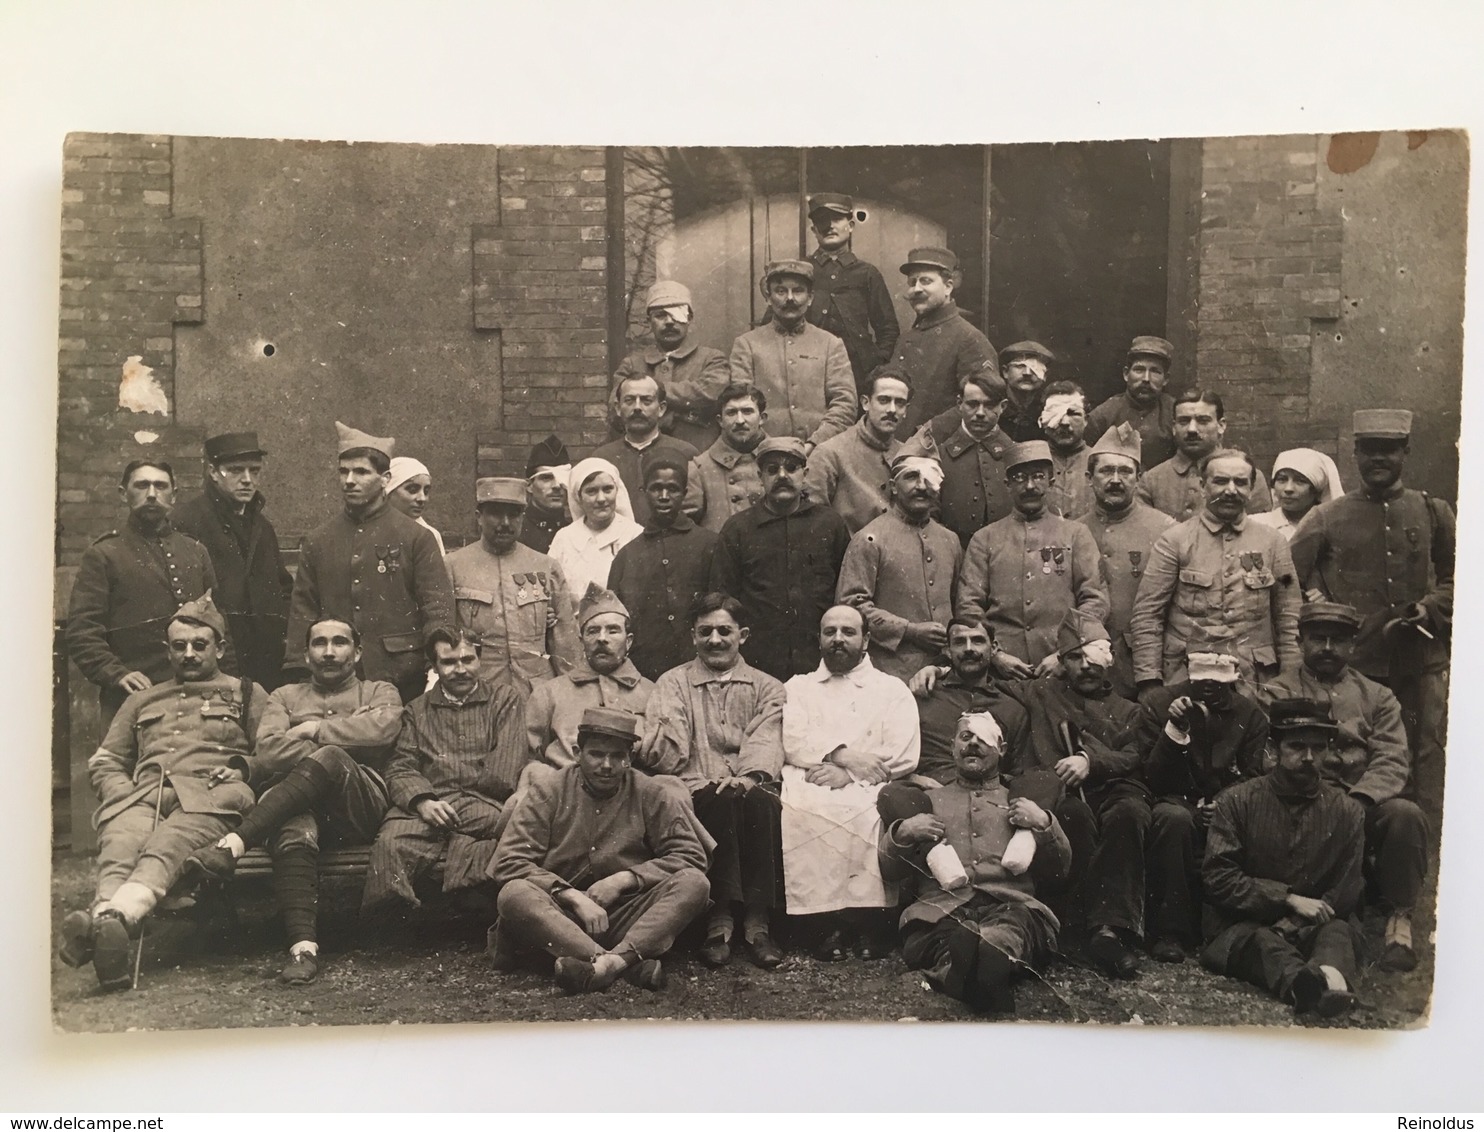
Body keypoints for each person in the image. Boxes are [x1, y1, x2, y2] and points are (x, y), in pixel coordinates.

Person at [58, 595, 266, 991]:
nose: (188, 654)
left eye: (199, 645)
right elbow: (105, 760)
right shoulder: (142, 699)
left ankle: (106, 922)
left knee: (167, 844)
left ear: (219, 648)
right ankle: (111, 927)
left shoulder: (247, 693)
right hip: (144, 795)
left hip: (211, 797)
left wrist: (244, 770)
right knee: (120, 840)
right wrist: (123, 794)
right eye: (178, 646)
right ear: (167, 649)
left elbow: (272, 750)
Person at [182, 617, 401, 985]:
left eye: (339, 642)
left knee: (330, 757)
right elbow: (267, 752)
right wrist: (352, 729)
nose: (329, 652)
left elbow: (384, 730)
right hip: (295, 803)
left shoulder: (379, 691)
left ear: (358, 651)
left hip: (359, 805)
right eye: (319, 643)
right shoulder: (284, 696)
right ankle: (303, 950)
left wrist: (313, 729)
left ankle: (233, 845)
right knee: (292, 827)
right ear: (306, 653)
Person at [1288, 408, 1454, 818]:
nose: (1379, 459)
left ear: (1405, 452)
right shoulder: (1327, 516)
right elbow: (1287, 578)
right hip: (1357, 667)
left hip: (1420, 663)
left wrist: (1429, 607)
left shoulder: (1432, 510)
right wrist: (1320, 609)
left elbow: (1464, 579)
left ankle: (1422, 861)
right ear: (1356, 454)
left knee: (1424, 756)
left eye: (1390, 450)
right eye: (1369, 451)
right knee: (1353, 759)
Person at [489, 707, 711, 995]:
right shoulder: (548, 791)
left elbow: (690, 855)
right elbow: (508, 861)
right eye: (596, 754)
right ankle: (623, 963)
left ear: (630, 758)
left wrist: (624, 880)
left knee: (695, 883)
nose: (607, 765)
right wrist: (568, 895)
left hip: (627, 915)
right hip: (561, 918)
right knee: (513, 893)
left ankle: (601, 966)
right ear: (577, 753)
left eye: (617, 756)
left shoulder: (650, 792)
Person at [1261, 602, 1428, 972]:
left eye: (1338, 640)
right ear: (1300, 641)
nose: (1326, 648)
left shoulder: (1378, 696)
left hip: (1361, 799)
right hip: (1301, 800)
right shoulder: (1277, 692)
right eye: (1317, 638)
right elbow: (1269, 755)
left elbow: (1392, 758)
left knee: (1405, 815)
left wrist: (1361, 798)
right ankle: (1309, 918)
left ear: (1352, 646)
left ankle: (1398, 921)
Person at [878, 709, 1071, 1015]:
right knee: (941, 935)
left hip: (1009, 902)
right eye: (965, 737)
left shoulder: (1022, 802)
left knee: (1012, 927)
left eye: (984, 739)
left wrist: (1044, 823)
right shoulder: (928, 801)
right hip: (942, 908)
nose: (972, 744)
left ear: (1002, 750)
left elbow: (1061, 870)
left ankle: (981, 961)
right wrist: (903, 832)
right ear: (952, 747)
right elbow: (889, 871)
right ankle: (974, 967)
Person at [642, 592, 787, 969]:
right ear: (693, 636)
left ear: (744, 635)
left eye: (725, 631)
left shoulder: (767, 687)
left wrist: (749, 776)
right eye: (705, 632)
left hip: (751, 783)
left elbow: (767, 735)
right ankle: (719, 920)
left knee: (758, 801)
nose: (715, 640)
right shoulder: (672, 683)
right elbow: (670, 751)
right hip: (695, 782)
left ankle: (758, 921)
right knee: (717, 798)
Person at [1200, 699, 1366, 1020]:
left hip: (1314, 926)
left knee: (1337, 933)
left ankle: (1325, 980)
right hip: (1244, 927)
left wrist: (1295, 923)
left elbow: (1344, 890)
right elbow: (1218, 878)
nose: (1307, 757)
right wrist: (1287, 899)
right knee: (1263, 942)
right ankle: (1308, 987)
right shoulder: (1237, 802)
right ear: (1274, 748)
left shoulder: (1347, 811)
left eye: (1318, 748)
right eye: (1296, 746)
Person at [780, 605, 921, 960]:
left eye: (848, 632)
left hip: (870, 783)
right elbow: (793, 741)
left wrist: (852, 773)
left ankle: (869, 922)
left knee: (865, 811)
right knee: (805, 810)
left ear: (866, 640)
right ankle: (823, 925)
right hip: (813, 776)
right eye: (830, 632)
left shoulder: (892, 689)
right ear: (820, 639)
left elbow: (904, 753)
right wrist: (842, 755)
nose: (838, 639)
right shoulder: (798, 687)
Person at [360, 627, 528, 920]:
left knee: (506, 832)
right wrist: (423, 802)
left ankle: (474, 902)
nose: (460, 669)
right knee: (391, 841)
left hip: (485, 804)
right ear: (434, 667)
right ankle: (395, 920)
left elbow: (504, 769)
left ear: (480, 659)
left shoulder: (505, 700)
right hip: (429, 806)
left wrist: (456, 803)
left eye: (468, 659)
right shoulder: (417, 710)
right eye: (449, 662)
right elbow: (400, 765)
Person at [284, 422, 454, 703]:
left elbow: (437, 605)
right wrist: (298, 669)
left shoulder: (416, 537)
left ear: (385, 478)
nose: (349, 480)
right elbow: (303, 608)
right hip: (334, 678)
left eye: (361, 472)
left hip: (402, 676)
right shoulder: (318, 540)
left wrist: (440, 659)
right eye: (343, 471)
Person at [1002, 611, 1142, 952]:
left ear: (1108, 659)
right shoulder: (1042, 692)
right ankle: (1075, 925)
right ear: (1062, 662)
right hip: (1065, 794)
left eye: (1092, 656)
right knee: (1072, 816)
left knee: (1128, 814)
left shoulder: (1127, 709)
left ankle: (1111, 929)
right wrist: (940, 669)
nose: (1085, 666)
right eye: (1074, 658)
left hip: (1112, 791)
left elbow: (1134, 755)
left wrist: (1090, 761)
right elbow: (989, 684)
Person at [66, 459, 226, 729]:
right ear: (123, 493)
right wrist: (117, 674)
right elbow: (83, 632)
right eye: (142, 485)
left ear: (173, 495)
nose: (152, 494)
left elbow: (220, 626)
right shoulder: (104, 555)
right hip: (131, 697)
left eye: (161, 486)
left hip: (196, 696)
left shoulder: (196, 552)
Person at [1128, 447, 1300, 693]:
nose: (1231, 490)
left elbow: (1289, 618)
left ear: (1251, 488)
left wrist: (1290, 679)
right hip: (1186, 677)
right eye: (1220, 481)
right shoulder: (1174, 540)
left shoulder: (1273, 542)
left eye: (1241, 482)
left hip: (1255, 682)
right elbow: (1148, 615)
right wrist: (1150, 682)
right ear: (1202, 485)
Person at [1136, 650, 1269, 960]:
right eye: (1202, 677)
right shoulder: (1158, 703)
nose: (1210, 686)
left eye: (1219, 679)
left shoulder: (1250, 715)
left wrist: (1225, 803)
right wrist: (1175, 729)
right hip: (1171, 798)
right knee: (1174, 819)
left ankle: (1233, 925)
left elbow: (1252, 776)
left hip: (1228, 803)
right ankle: (1171, 931)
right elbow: (1151, 774)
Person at [955, 440, 1109, 674]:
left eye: (1037, 476)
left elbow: (1095, 599)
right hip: (1001, 670)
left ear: (1051, 481)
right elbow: (969, 606)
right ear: (1007, 484)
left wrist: (1065, 653)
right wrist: (996, 656)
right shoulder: (984, 539)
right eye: (1019, 478)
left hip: (1062, 667)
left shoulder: (1076, 534)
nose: (1029, 486)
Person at [709, 436, 852, 681]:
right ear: (760, 477)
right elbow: (722, 596)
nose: (782, 476)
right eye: (773, 470)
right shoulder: (738, 529)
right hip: (759, 663)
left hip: (819, 662)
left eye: (792, 468)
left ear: (805, 474)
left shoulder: (830, 524)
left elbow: (846, 592)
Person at [171, 431, 292, 691]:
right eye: (236, 470)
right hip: (216, 659)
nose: (247, 480)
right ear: (213, 472)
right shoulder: (187, 521)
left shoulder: (262, 526)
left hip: (266, 661)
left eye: (254, 471)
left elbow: (283, 588)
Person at [444, 477, 579, 697]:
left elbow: (565, 641)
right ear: (479, 517)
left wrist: (573, 694)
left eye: (514, 514)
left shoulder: (546, 566)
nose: (505, 523)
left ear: (523, 517)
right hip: (479, 690)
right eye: (496, 513)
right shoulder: (453, 566)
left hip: (536, 693)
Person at [836, 453, 962, 680]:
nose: (922, 486)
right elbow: (851, 606)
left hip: (946, 671)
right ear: (894, 487)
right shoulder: (870, 538)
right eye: (912, 477)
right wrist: (909, 630)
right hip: (890, 671)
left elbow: (959, 603)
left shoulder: (950, 540)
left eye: (930, 478)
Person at [1078, 424, 1175, 697]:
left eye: (1125, 471)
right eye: (1106, 471)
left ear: (1139, 478)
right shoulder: (1073, 530)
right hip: (1085, 663)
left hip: (1143, 664)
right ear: (1090, 477)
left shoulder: (1166, 530)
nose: (1116, 480)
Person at [608, 452, 719, 680]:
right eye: (656, 488)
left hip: (701, 669)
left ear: (685, 493)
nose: (664, 496)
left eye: (673, 489)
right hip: (646, 672)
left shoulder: (710, 544)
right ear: (645, 491)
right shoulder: (627, 555)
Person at [728, 259, 856, 452]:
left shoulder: (831, 344)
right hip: (762, 454)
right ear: (769, 298)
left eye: (798, 291)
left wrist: (814, 444)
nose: (790, 298)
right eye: (780, 291)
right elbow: (741, 405)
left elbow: (845, 404)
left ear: (810, 298)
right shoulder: (746, 345)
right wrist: (771, 447)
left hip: (820, 454)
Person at [525, 586, 655, 770]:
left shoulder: (652, 693)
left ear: (629, 641)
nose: (602, 638)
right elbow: (529, 757)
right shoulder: (549, 693)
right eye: (593, 631)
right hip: (565, 790)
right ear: (582, 640)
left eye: (613, 630)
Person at [900, 617, 1031, 785]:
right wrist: (913, 779)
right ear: (947, 651)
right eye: (959, 642)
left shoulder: (1012, 709)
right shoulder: (922, 696)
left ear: (993, 648)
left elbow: (1021, 773)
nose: (969, 649)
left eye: (978, 641)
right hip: (928, 794)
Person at [791, 192, 900, 391]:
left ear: (850, 226)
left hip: (857, 374)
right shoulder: (799, 271)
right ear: (814, 230)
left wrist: (876, 363)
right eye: (823, 220)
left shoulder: (867, 273)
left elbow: (888, 329)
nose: (830, 226)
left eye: (837, 218)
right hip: (806, 370)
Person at [897, 364, 1015, 546]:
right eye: (972, 404)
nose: (980, 413)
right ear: (960, 404)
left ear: (1003, 407)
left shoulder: (1015, 456)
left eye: (990, 405)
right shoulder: (939, 456)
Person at [610, 280, 731, 452]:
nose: (669, 322)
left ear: (689, 318)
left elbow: (709, 394)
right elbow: (616, 412)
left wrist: (648, 395)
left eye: (677, 315)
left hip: (698, 455)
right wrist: (686, 411)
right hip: (643, 454)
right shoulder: (631, 364)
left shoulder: (712, 359)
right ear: (649, 320)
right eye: (660, 315)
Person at [890, 246, 997, 437]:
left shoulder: (969, 338)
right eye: (912, 282)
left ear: (948, 287)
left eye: (926, 281)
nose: (916, 289)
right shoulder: (905, 339)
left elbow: (981, 405)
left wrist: (925, 435)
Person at [801, 367, 908, 533]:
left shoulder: (908, 454)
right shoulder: (830, 453)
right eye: (884, 400)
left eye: (899, 403)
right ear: (865, 403)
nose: (892, 410)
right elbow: (812, 522)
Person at [1137, 391, 1273, 520]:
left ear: (1221, 425)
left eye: (1203, 421)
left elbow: (1258, 535)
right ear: (1173, 427)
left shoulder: (1248, 477)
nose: (1192, 429)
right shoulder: (1152, 480)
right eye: (1184, 421)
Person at [593, 374, 700, 528]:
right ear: (618, 408)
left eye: (646, 400)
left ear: (661, 408)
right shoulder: (601, 458)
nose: (637, 407)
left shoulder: (686, 453)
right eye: (629, 400)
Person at [547, 456, 644, 602]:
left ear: (617, 491)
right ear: (578, 497)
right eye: (591, 491)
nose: (601, 498)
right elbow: (551, 591)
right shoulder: (564, 538)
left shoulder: (635, 535)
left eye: (607, 489)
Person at [1085, 336, 1179, 470]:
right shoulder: (1104, 414)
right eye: (1139, 370)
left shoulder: (1175, 413)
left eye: (1155, 371)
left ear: (1166, 379)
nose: (1146, 379)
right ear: (1126, 374)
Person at [687, 383, 769, 533]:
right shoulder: (700, 469)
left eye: (747, 411)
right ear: (720, 421)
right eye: (731, 413)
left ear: (762, 418)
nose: (739, 420)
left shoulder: (781, 460)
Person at [1251, 448, 1344, 541]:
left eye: (1300, 481)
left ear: (1316, 489)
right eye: (1282, 479)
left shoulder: (1331, 531)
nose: (1288, 489)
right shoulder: (1255, 525)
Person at [1039, 380, 1095, 518]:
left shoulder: (1100, 461)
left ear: (1086, 419)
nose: (1064, 422)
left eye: (1073, 413)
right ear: (1042, 418)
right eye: (1055, 414)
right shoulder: (1032, 461)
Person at [520, 434, 573, 555]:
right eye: (546, 478)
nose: (556, 486)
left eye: (562, 478)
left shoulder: (576, 533)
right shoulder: (517, 531)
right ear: (529, 486)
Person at [384, 455, 446, 556]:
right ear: (389, 491)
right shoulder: (369, 531)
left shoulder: (430, 535)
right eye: (412, 490)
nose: (422, 498)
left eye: (426, 491)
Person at [995, 341, 1056, 444]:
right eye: (1020, 366)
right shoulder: (993, 408)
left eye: (1035, 368)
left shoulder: (1049, 412)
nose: (1027, 373)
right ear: (1005, 372)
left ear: (1044, 375)